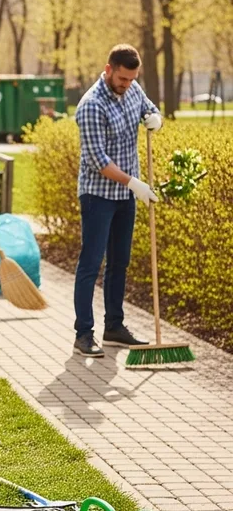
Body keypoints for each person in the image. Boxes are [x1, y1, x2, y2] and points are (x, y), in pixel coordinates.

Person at [73, 44, 161, 357]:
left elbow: (149, 108)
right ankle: (84, 334)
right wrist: (134, 182)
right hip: (98, 195)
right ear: (108, 69)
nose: (127, 84)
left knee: (119, 262)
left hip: (126, 196)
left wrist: (155, 118)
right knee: (91, 264)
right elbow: (98, 159)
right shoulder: (91, 105)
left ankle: (114, 327)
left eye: (131, 79)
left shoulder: (133, 89)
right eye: (122, 78)